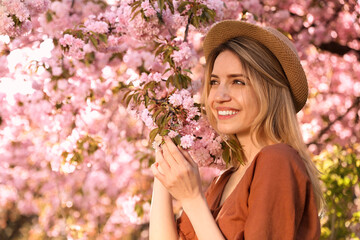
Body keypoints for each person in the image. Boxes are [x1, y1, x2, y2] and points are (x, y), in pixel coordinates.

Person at [149, 20, 323, 240]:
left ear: (269, 91)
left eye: (238, 82)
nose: (219, 96)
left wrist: (192, 199)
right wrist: (164, 161)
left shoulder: (278, 160)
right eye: (214, 82)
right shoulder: (223, 181)